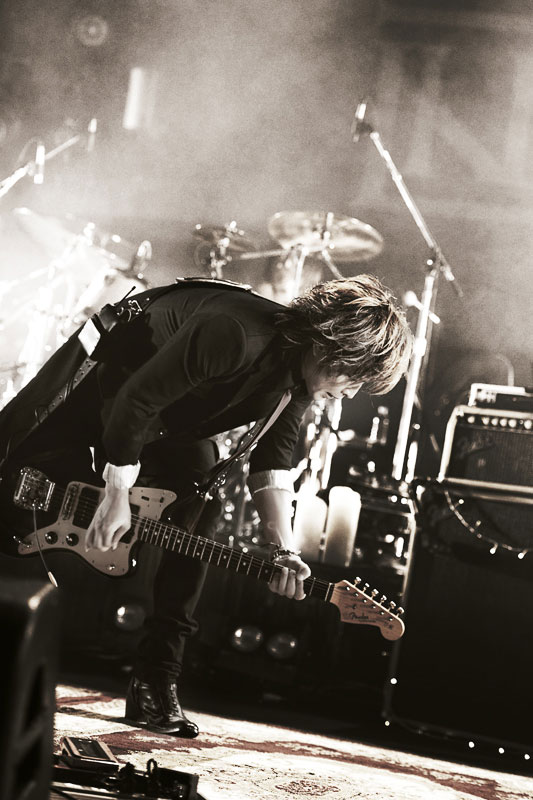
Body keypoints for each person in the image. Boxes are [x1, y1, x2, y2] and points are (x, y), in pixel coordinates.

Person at [0, 273, 412, 738]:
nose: (352, 392)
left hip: (160, 422)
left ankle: (156, 676)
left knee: (203, 498)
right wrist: (115, 494)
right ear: (331, 347)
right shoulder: (235, 334)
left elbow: (272, 462)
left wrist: (285, 551)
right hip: (94, 395)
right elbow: (136, 400)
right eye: (356, 376)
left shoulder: (295, 378)